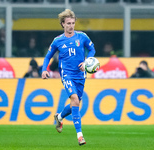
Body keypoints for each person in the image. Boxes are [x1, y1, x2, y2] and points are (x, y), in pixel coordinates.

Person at [41, 9, 96, 146]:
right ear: (62, 24)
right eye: (68, 23)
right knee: (75, 99)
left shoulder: (82, 37)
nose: (71, 26)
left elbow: (92, 49)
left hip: (80, 75)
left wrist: (87, 61)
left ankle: (59, 117)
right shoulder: (57, 41)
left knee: (74, 105)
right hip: (66, 74)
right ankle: (80, 136)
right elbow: (48, 56)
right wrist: (44, 70)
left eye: (73, 23)